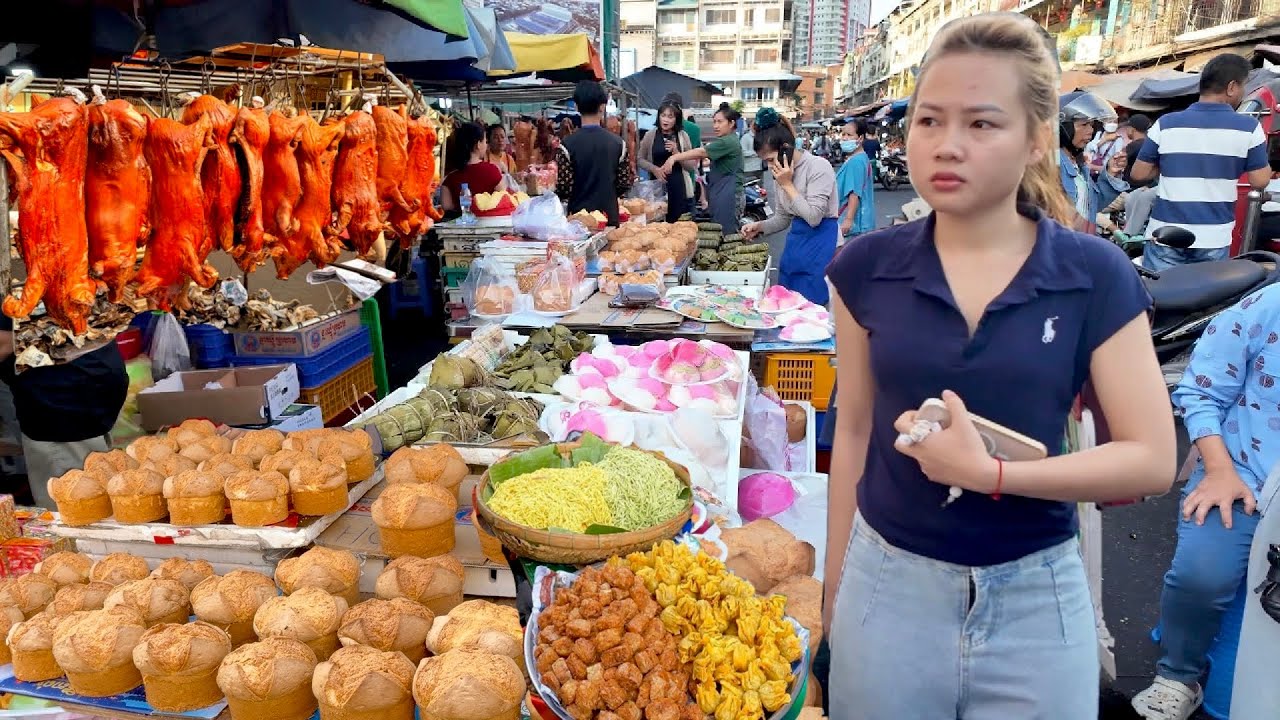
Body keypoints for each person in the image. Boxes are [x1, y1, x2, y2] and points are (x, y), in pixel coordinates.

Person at [823, 12, 1175, 719]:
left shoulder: (1093, 274)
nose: (947, 144)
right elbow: (854, 431)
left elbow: (1151, 459)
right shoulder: (863, 269)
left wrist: (993, 476)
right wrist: (835, 592)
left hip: (1036, 600)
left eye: (981, 123)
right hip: (887, 585)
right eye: (929, 121)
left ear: (1037, 139)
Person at [1130, 285, 1280, 720]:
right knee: (1202, 574)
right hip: (1242, 474)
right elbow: (1200, 392)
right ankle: (1178, 675)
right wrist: (1218, 470)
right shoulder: (1265, 309)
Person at [1131, 52, 1271, 271]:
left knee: (1160, 291)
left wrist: (1171, 164)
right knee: (1207, 292)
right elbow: (1260, 180)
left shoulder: (1166, 123)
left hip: (1166, 232)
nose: (1243, 93)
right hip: (1213, 237)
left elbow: (1138, 174)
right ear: (1231, 87)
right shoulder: (1249, 128)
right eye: (1243, 86)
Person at [0, 317, 128, 508]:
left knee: (72, 509)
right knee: (98, 490)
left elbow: (3, 342)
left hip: (60, 399)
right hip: (91, 375)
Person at [741, 108, 838, 305]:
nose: (770, 166)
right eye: (765, 162)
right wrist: (760, 227)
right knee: (785, 304)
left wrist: (787, 184)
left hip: (820, 246)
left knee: (811, 308)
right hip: (795, 246)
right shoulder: (780, 173)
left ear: (786, 148)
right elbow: (783, 218)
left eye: (770, 159)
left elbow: (813, 217)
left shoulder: (818, 167)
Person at [556, 80, 633, 226]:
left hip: (579, 221)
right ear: (602, 107)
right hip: (609, 217)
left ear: (576, 106)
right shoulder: (618, 144)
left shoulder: (566, 145)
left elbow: (564, 187)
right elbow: (624, 183)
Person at [662, 103, 744, 233]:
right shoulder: (728, 140)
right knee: (720, 232)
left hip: (729, 196)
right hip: (723, 193)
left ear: (731, 123)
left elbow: (702, 152)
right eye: (714, 122)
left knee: (727, 235)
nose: (715, 126)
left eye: (720, 122)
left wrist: (674, 157)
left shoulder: (727, 141)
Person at [1058, 90, 1129, 234]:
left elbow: (1091, 206)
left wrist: (1110, 172)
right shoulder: (1050, 164)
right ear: (1063, 127)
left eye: (1091, 125)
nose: (1090, 130)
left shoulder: (1078, 164)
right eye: (1084, 124)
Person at [637, 101, 697, 222]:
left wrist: (677, 153)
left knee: (678, 223)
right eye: (663, 115)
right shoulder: (650, 135)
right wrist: (654, 169)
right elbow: (639, 159)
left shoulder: (683, 136)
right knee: (657, 223)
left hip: (677, 187)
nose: (666, 120)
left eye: (670, 117)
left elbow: (691, 166)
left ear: (676, 119)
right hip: (656, 187)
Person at [440, 121, 506, 217]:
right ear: (478, 144)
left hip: (461, 224)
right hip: (489, 223)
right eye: (485, 142)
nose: (486, 145)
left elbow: (446, 206)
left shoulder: (449, 179)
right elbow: (504, 199)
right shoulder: (493, 171)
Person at [835, 118, 876, 242]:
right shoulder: (860, 158)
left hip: (855, 226)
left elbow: (854, 193)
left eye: (849, 135)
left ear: (860, 138)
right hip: (860, 224)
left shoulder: (856, 162)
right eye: (843, 134)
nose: (845, 138)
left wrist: (848, 220)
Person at [1120, 114, 1158, 235]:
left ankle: (1127, 234)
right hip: (1144, 188)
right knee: (1134, 197)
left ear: (1132, 129)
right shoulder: (1151, 144)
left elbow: (1117, 165)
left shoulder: (1134, 146)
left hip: (1127, 190)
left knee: (1094, 206)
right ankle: (1130, 234)